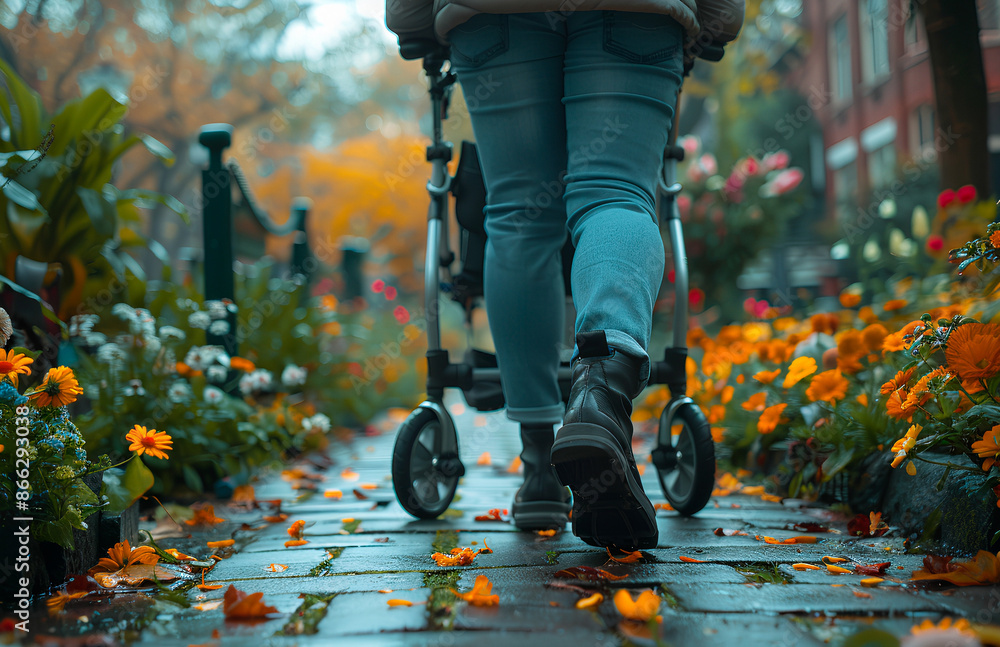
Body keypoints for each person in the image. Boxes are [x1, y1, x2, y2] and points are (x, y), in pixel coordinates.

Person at [386, 1, 743, 550]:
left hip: (492, 14)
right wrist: (717, 16)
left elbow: (414, 18)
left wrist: (412, 20)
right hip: (637, 11)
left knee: (517, 217)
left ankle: (538, 468)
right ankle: (601, 392)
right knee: (616, 193)